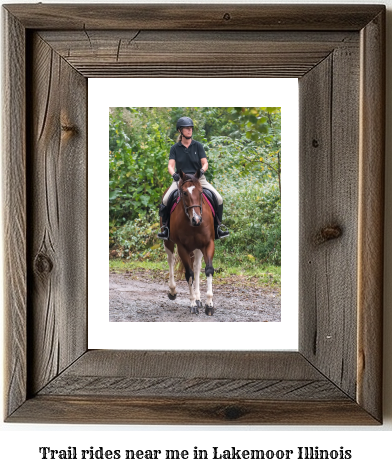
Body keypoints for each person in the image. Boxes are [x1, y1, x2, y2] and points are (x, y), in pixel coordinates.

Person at [158, 116, 229, 240]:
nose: (189, 130)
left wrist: (202, 171)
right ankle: (166, 229)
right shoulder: (175, 148)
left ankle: (218, 227)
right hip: (182, 180)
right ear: (180, 131)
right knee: (165, 200)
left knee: (218, 198)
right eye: (186, 128)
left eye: (190, 128)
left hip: (198, 179)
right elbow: (170, 165)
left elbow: (205, 163)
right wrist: (174, 174)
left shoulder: (198, 146)